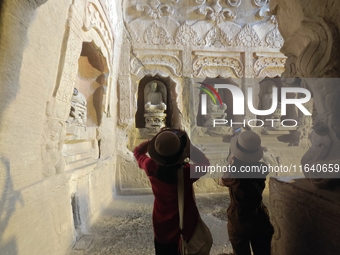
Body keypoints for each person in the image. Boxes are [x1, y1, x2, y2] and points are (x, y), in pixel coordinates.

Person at [133, 128, 210, 255]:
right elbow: (205, 163)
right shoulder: (186, 173)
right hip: (185, 227)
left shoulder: (151, 167)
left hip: (161, 225)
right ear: (181, 152)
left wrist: (155, 140)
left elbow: (138, 153)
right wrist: (188, 147)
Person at [219, 131, 274, 255]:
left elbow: (222, 181)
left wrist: (230, 164)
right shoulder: (262, 168)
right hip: (259, 215)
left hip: (239, 217)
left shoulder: (233, 172)